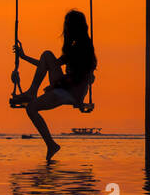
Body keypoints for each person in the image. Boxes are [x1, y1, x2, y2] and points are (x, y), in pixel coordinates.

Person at [10, 9, 96, 159]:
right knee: (47, 55)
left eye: (67, 26)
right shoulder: (76, 46)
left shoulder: (83, 48)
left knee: (31, 108)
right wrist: (24, 57)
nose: (65, 29)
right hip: (66, 88)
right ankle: (32, 94)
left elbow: (81, 77)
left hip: (72, 92)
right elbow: (47, 64)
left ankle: (51, 144)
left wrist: (56, 86)